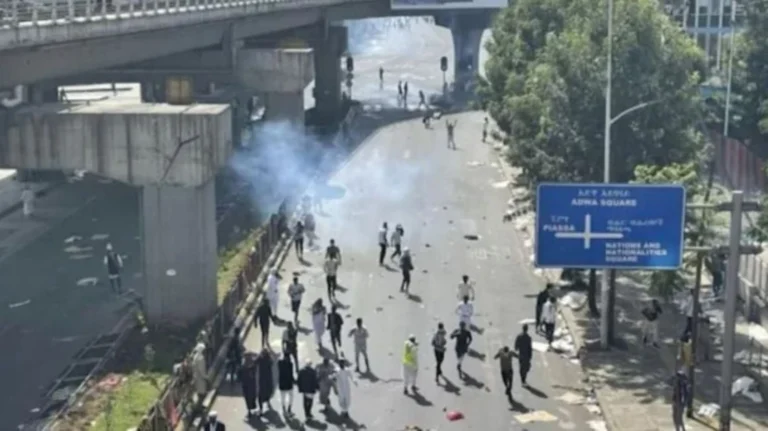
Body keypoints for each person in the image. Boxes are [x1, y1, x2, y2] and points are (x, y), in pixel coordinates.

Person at [255, 349, 275, 415]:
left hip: (262, 379)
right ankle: (268, 402)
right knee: (268, 391)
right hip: (268, 379)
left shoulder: (260, 359)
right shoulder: (269, 359)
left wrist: (259, 355)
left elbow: (255, 362)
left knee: (260, 394)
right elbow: (272, 362)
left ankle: (261, 409)